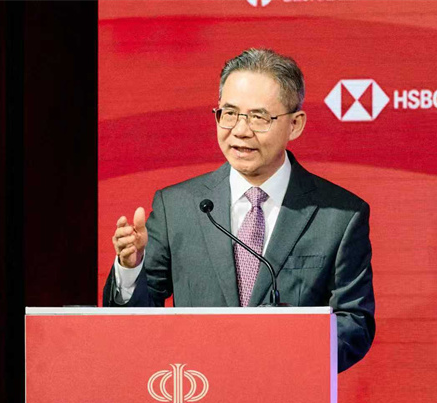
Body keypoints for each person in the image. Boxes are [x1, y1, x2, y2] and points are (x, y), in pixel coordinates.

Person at [104, 48, 375, 372]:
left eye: (259, 118)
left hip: (287, 394)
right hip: (196, 391)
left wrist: (279, 358)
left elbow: (354, 323)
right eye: (229, 113)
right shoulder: (177, 206)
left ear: (295, 124)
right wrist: (131, 269)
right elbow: (132, 324)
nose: (241, 130)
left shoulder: (339, 215)